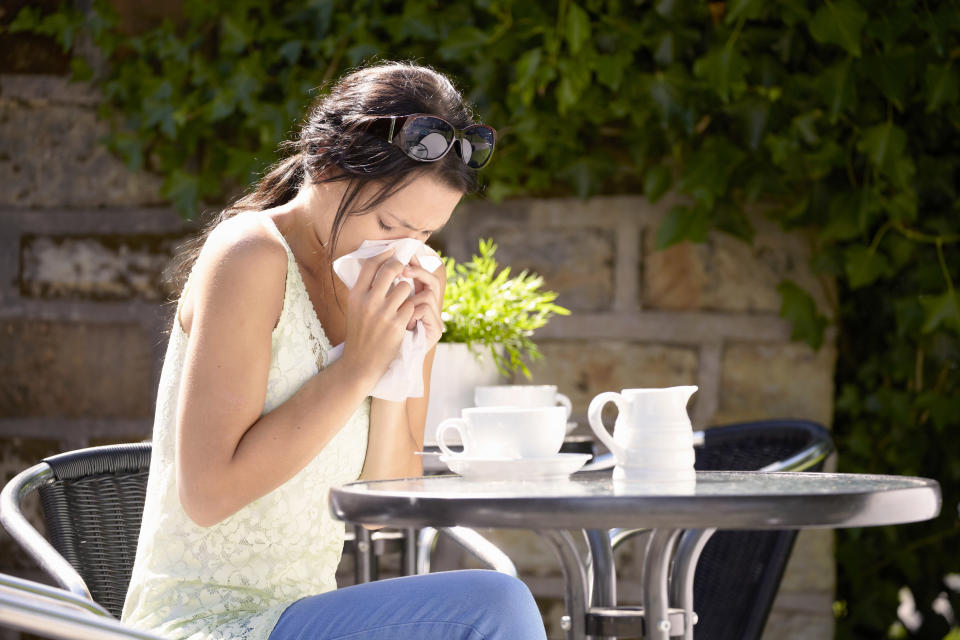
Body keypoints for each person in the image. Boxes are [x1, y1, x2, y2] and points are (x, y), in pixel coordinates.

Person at [121, 61, 547, 640]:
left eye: (424, 235)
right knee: (495, 604)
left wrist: (405, 355)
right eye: (390, 223)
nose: (403, 250)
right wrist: (357, 367)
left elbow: (388, 501)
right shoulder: (250, 256)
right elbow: (208, 494)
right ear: (325, 164)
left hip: (311, 616)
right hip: (204, 624)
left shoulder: (382, 293)